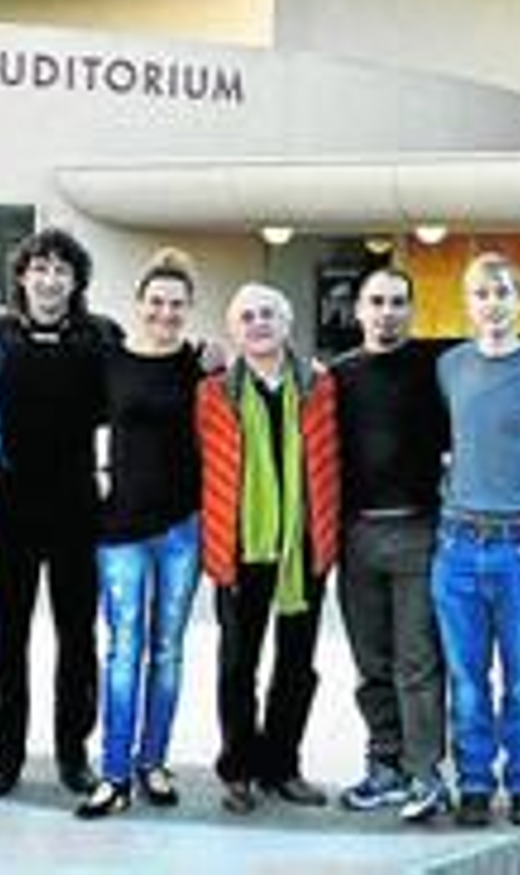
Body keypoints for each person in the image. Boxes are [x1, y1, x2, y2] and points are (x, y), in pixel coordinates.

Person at [432, 251, 520, 829]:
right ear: (469, 304)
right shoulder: (449, 365)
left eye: (504, 294)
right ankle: (472, 782)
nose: (493, 305)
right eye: (482, 294)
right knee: (466, 681)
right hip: (458, 544)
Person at [0, 227, 119, 797]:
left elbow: (133, 400)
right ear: (22, 276)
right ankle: (6, 756)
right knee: (6, 638)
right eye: (40, 268)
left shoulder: (102, 336)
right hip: (9, 503)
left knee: (78, 637)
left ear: (76, 281)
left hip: (76, 504)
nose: (50, 279)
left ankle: (73, 753)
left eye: (62, 270)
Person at [198, 282, 340, 815]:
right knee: (237, 665)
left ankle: (283, 765)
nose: (258, 323)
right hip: (239, 548)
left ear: (287, 323)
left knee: (297, 665)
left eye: (268, 314)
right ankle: (238, 768)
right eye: (247, 317)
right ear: (233, 330)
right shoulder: (212, 392)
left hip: (304, 547)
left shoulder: (320, 387)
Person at [75, 249, 206, 820]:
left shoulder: (201, 366)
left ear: (189, 309)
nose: (166, 313)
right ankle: (113, 772)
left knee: (169, 650)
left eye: (177, 304)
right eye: (156, 302)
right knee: (123, 650)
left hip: (182, 526)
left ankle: (154, 761)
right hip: (120, 529)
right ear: (139, 305)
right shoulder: (109, 361)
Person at [332, 267, 450, 822]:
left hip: (419, 532)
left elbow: (505, 349)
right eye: (376, 302)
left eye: (398, 302)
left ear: (412, 309)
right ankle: (386, 767)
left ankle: (427, 774)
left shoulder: (437, 364)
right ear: (358, 310)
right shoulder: (337, 376)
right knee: (371, 662)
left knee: (418, 662)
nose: (387, 312)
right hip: (356, 536)